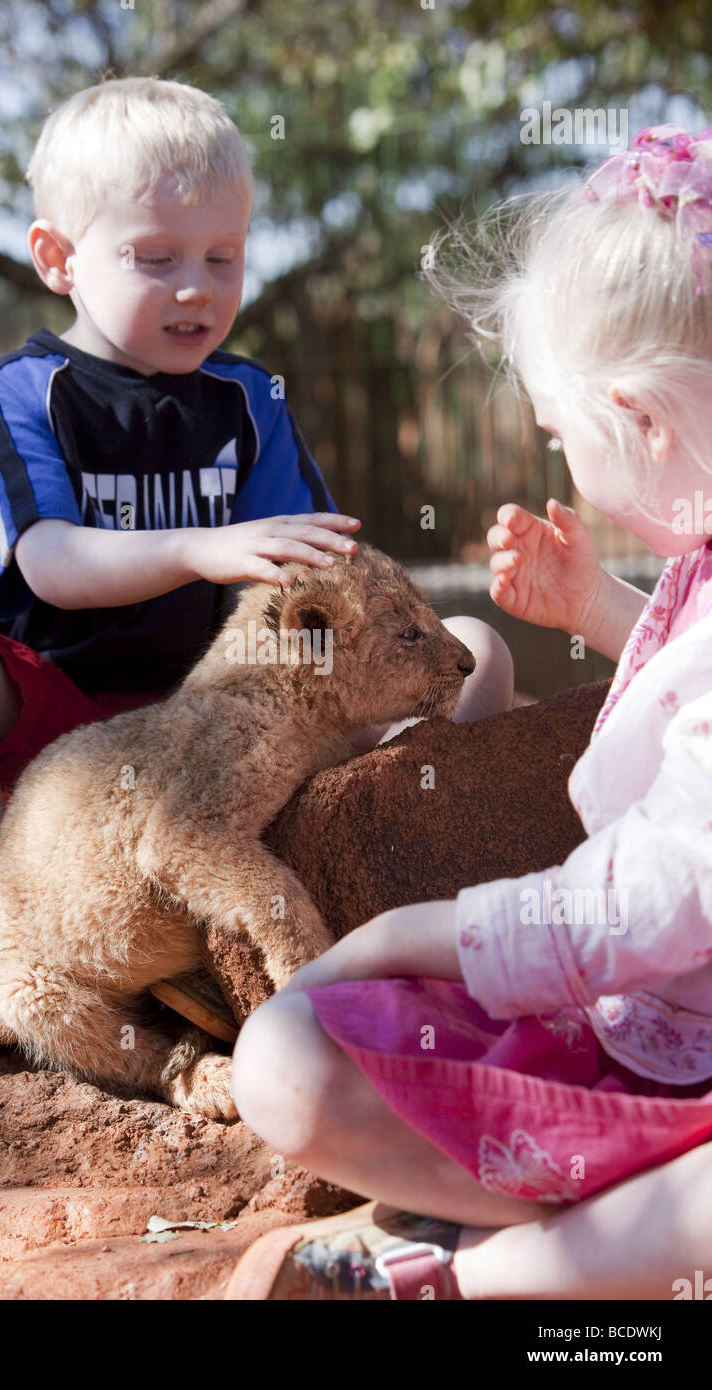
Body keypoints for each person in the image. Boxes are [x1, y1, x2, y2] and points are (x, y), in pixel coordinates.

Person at [0, 75, 511, 1051]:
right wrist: (197, 547)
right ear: (57, 258)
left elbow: (318, 581)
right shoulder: (25, 392)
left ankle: (347, 887)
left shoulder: (249, 402)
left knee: (475, 649)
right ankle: (7, 930)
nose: (197, 285)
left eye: (224, 256)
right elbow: (45, 562)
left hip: (232, 741)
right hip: (60, 738)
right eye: (154, 258)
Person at [228, 124, 712, 1301]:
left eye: (558, 432)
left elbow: (659, 896)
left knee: (287, 1057)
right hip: (644, 1037)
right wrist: (594, 603)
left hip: (652, 1043)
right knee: (281, 1058)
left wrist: (419, 930)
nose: (549, 448)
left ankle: (483, 1274)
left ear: (642, 422)